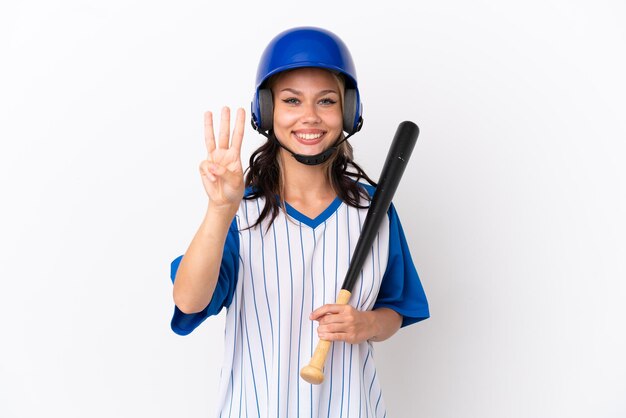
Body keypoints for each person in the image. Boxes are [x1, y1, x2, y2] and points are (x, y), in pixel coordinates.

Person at [169, 26, 429, 418]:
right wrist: (220, 210)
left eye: (326, 101)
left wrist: (366, 324)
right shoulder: (240, 212)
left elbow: (396, 308)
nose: (310, 116)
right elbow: (189, 301)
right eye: (292, 100)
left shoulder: (374, 210)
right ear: (268, 111)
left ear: (348, 110)